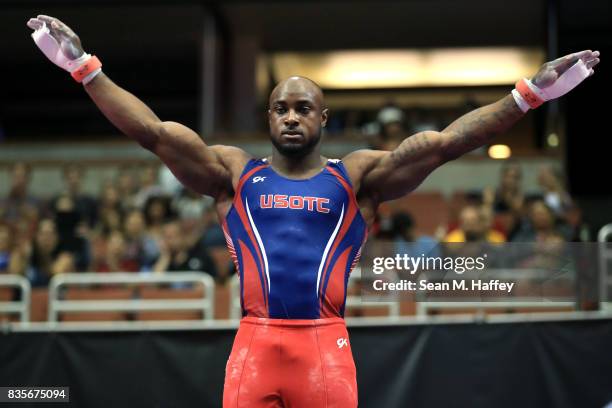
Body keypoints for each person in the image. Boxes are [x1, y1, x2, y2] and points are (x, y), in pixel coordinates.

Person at [26, 14, 600, 407]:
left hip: (325, 347)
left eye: (304, 108)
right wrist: (85, 70)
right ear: (269, 118)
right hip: (253, 344)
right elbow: (153, 132)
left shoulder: (354, 178)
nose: (292, 117)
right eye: (281, 108)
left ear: (324, 119)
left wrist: (528, 96)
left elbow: (444, 143)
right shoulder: (233, 174)